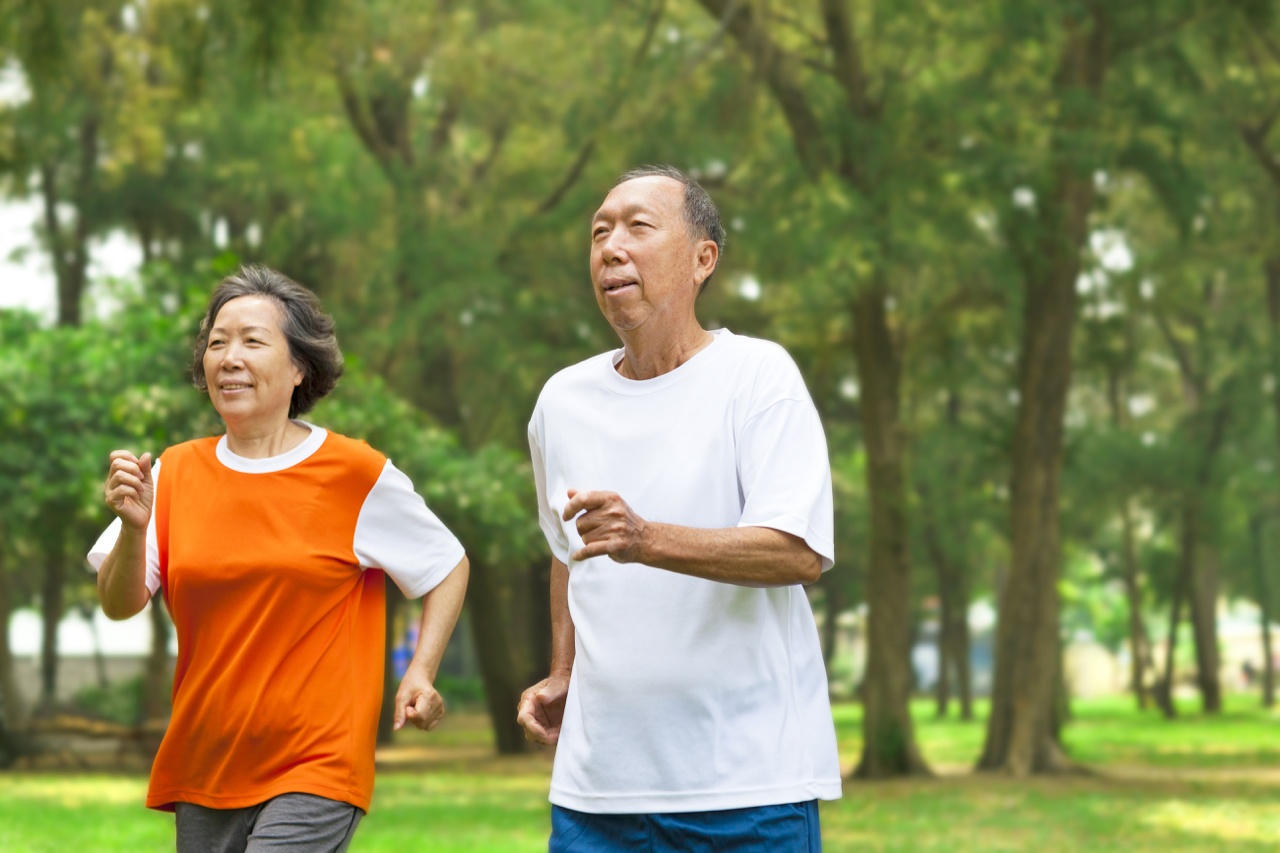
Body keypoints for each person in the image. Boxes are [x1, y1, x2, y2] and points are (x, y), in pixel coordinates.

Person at [89, 265, 469, 853]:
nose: (229, 357)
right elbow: (118, 604)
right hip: (207, 763)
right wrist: (135, 530)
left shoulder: (353, 473)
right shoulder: (172, 472)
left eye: (252, 341)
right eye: (217, 343)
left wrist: (420, 670)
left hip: (317, 763)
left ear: (298, 367)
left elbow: (445, 563)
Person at [517, 166, 840, 851]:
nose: (611, 246)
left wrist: (646, 537)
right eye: (599, 231)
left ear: (703, 258)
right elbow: (566, 550)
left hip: (745, 788)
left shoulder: (757, 377)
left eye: (638, 226)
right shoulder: (562, 401)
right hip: (596, 794)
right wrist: (564, 669)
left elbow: (797, 550)